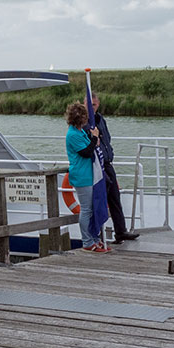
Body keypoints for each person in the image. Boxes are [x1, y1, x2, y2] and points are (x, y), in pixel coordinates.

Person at [92, 94, 138, 244]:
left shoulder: (101, 119)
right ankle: (97, 235)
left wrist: (109, 151)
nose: (91, 107)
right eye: (88, 104)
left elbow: (107, 138)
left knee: (115, 198)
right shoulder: (87, 122)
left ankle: (120, 231)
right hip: (96, 165)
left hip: (107, 163)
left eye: (93, 104)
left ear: (98, 104)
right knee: (99, 199)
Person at [65, 101, 109, 253]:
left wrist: (93, 137)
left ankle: (95, 239)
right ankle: (87, 241)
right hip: (82, 176)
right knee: (86, 209)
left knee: (92, 208)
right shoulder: (72, 135)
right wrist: (94, 137)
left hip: (90, 175)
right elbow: (87, 152)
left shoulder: (79, 131)